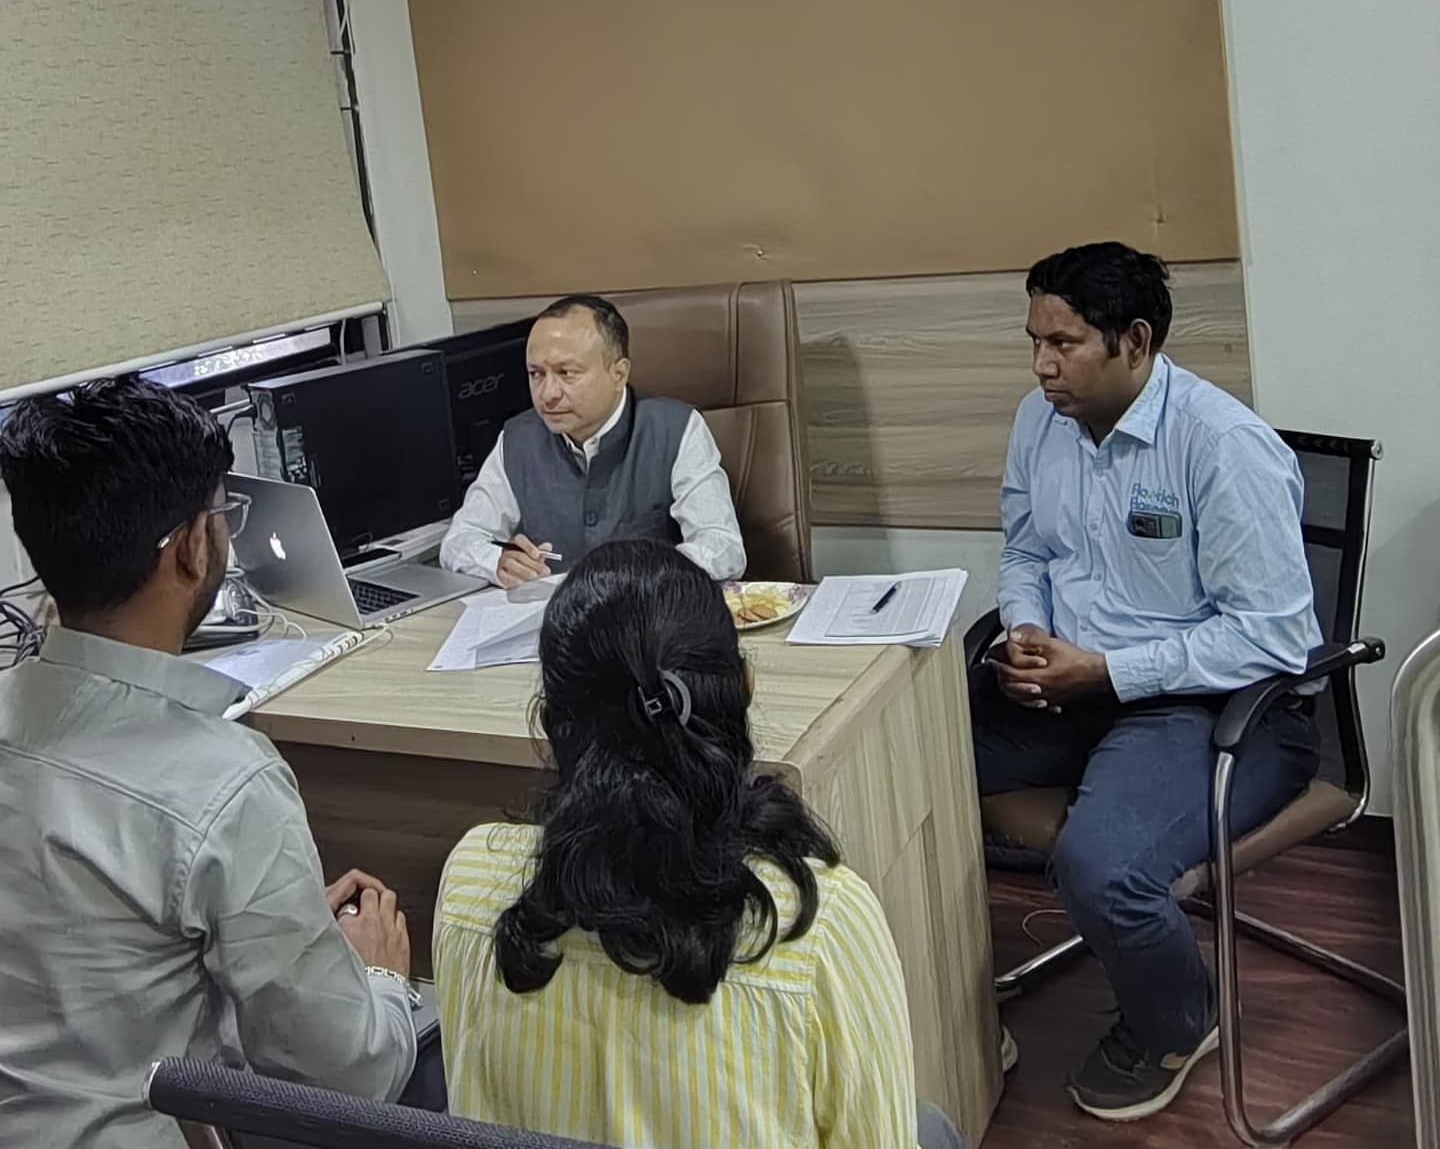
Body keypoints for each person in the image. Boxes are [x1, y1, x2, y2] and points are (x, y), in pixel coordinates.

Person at [433, 540, 966, 1149]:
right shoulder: (820, 923)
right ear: (743, 687)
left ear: (552, 721)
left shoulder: (470, 881)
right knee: (933, 1129)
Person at [0, 376, 418, 1147]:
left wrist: (276, 927)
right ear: (194, 547)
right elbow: (347, 1080)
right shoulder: (225, 785)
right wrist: (379, 977)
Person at [974, 243, 1321, 1123]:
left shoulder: (1222, 446)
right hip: (1073, 681)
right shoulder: (1040, 421)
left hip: (1210, 704)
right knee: (904, 756)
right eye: (1034, 342)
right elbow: (1027, 547)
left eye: (1063, 344)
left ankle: (1178, 1020)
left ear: (1134, 341)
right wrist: (1026, 629)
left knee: (1104, 868)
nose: (1042, 366)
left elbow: (1275, 637)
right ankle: (942, 1001)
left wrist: (1108, 671)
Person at [440, 293, 745, 588]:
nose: (548, 394)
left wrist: (643, 573)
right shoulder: (518, 439)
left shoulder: (675, 429)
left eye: (567, 373)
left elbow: (724, 548)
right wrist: (497, 561)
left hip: (647, 612)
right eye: (536, 374)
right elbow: (458, 541)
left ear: (619, 374)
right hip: (550, 616)